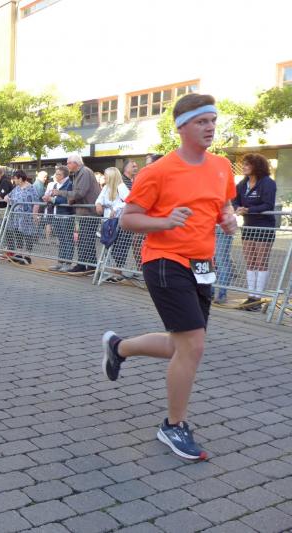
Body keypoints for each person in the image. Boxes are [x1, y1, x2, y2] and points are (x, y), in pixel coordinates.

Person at [102, 93, 238, 461]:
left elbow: (224, 207)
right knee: (193, 345)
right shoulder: (158, 171)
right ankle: (173, 426)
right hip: (164, 260)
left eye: (213, 120)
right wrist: (165, 221)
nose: (210, 127)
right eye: (201, 121)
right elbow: (128, 219)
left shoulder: (221, 166)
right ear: (182, 127)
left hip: (202, 264)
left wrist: (229, 220)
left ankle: (119, 348)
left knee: (182, 346)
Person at [233, 153, 277, 310]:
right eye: (243, 164)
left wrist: (248, 209)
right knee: (250, 262)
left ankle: (257, 298)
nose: (243, 167)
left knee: (261, 262)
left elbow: (268, 205)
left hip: (264, 227)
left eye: (247, 164)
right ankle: (250, 296)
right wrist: (237, 208)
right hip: (248, 227)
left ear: (256, 166)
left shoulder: (268, 183)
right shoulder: (242, 183)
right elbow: (234, 200)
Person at [51, 154, 101, 273]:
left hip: (89, 212)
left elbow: (79, 193)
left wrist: (60, 193)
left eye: (68, 162)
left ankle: (84, 265)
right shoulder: (80, 173)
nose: (67, 165)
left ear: (75, 163)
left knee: (85, 239)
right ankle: (89, 265)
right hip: (86, 212)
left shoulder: (84, 172)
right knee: (86, 239)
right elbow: (78, 193)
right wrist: (71, 199)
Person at [95, 167, 131, 282]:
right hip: (108, 220)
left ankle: (118, 272)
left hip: (119, 221)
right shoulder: (106, 187)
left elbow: (129, 201)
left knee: (119, 247)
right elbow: (99, 199)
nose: (104, 177)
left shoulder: (121, 187)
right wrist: (98, 204)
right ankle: (111, 271)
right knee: (108, 245)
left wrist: (116, 208)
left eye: (106, 175)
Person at [6, 170, 40, 264]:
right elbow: (8, 196)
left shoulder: (31, 188)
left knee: (28, 236)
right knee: (18, 235)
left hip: (27, 217)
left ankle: (28, 256)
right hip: (17, 217)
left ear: (20, 179)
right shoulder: (16, 188)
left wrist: (35, 215)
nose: (14, 180)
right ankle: (19, 254)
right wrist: (6, 198)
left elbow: (36, 202)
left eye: (15, 178)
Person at [46, 166, 74, 272]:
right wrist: (48, 198)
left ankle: (67, 263)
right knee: (61, 239)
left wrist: (52, 199)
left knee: (67, 240)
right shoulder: (56, 185)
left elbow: (68, 200)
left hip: (66, 215)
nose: (56, 175)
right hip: (57, 214)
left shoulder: (69, 184)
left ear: (63, 176)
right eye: (56, 173)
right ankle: (60, 262)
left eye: (58, 174)